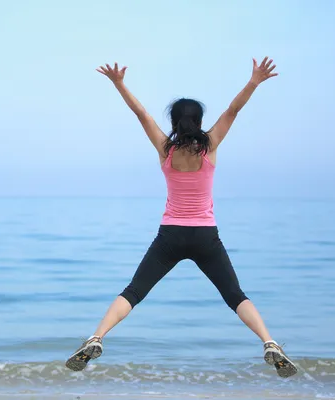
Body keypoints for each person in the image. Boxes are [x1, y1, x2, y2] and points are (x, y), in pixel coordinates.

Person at [65, 57, 297, 378]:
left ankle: (96, 337)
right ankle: (270, 342)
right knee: (234, 295)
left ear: (173, 121)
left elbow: (141, 114)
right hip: (205, 236)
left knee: (134, 292)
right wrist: (254, 81)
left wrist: (119, 83)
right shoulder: (210, 145)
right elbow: (232, 111)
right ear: (199, 121)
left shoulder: (166, 149)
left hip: (170, 235)